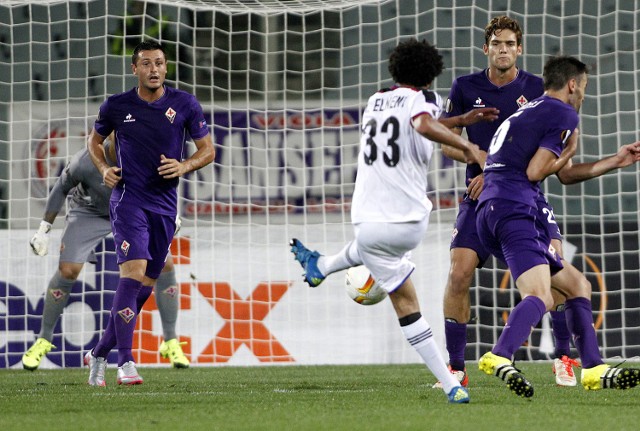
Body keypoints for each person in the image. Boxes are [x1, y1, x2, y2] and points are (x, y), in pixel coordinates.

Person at [289, 38, 491, 404]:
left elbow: (419, 122)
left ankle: (450, 383)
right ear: (431, 75)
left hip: (368, 218)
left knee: (400, 295)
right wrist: (468, 146)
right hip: (408, 222)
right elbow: (421, 122)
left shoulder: (374, 102)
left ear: (395, 69)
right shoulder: (423, 103)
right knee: (402, 297)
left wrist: (459, 121)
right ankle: (451, 383)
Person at [475, 55, 640, 397]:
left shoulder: (532, 109)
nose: (582, 96)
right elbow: (538, 171)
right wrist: (570, 149)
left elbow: (563, 175)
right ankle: (498, 355)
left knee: (577, 285)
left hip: (492, 209)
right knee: (541, 295)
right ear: (573, 84)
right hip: (514, 208)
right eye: (583, 88)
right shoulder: (564, 112)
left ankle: (593, 369)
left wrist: (617, 160)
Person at [438, 15, 580, 388]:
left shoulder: (537, 88)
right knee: (458, 274)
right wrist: (479, 158)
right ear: (486, 48)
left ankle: (563, 359)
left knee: (555, 275)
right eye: (496, 44)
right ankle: (455, 369)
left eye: (510, 44)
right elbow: (444, 142)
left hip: (523, 197)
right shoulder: (465, 87)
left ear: (520, 49)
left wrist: (497, 170)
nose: (503, 50)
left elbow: (546, 151)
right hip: (477, 196)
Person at [84, 40, 214, 386]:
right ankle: (126, 362)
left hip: (165, 208)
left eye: (159, 63)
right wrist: (103, 169)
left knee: (144, 287)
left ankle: (98, 353)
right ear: (135, 69)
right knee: (133, 272)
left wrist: (184, 165)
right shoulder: (116, 106)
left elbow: (208, 150)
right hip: (128, 201)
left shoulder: (185, 104)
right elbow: (93, 143)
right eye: (146, 64)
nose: (153, 69)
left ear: (166, 68)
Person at [22, 139, 190, 371]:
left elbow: (162, 184)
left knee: (164, 265)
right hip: (90, 212)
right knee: (68, 271)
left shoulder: (142, 153)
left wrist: (169, 214)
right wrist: (44, 230)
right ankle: (43, 339)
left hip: (131, 210)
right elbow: (61, 187)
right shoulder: (85, 162)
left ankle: (170, 341)